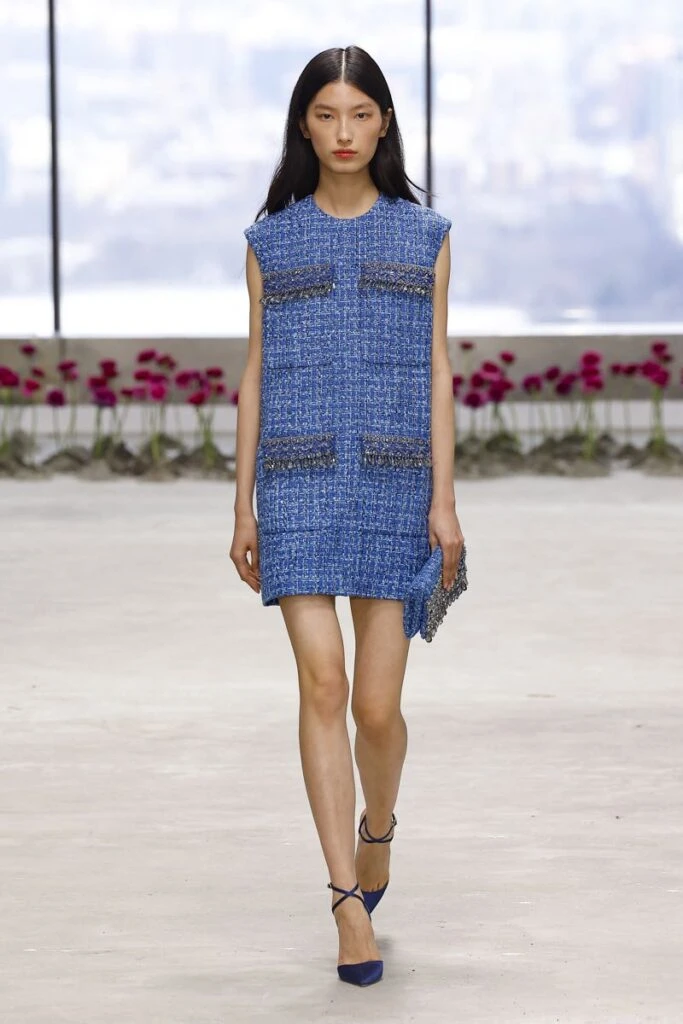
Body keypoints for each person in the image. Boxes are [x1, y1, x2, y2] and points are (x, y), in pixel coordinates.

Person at [230, 44, 465, 987]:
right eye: (326, 115)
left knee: (375, 706)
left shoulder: (426, 236)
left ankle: (379, 828)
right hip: (294, 482)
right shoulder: (269, 243)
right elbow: (255, 372)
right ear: (303, 124)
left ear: (383, 124)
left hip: (396, 482)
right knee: (322, 686)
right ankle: (344, 904)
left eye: (359, 115)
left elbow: (437, 369)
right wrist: (242, 502)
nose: (342, 132)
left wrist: (444, 500)